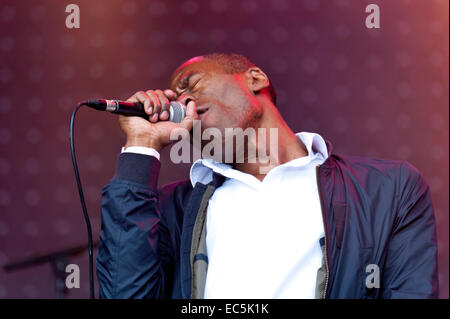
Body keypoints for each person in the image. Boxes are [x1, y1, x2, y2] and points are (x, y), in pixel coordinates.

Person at [96, 53, 438, 299]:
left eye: (192, 85)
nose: (181, 101)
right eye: (174, 97)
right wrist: (141, 143)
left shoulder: (387, 188)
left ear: (255, 79)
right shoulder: (174, 208)